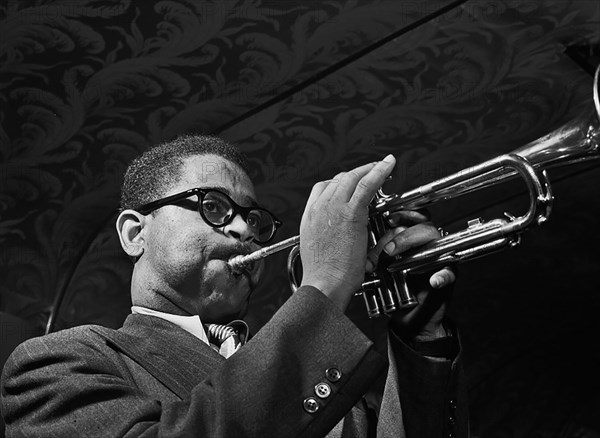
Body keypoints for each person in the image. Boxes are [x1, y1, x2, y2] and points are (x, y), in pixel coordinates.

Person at [1, 134, 468, 437]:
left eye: (255, 220)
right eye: (215, 207)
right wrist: (325, 284)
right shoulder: (56, 363)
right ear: (134, 233)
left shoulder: (328, 370)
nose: (245, 230)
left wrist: (420, 340)